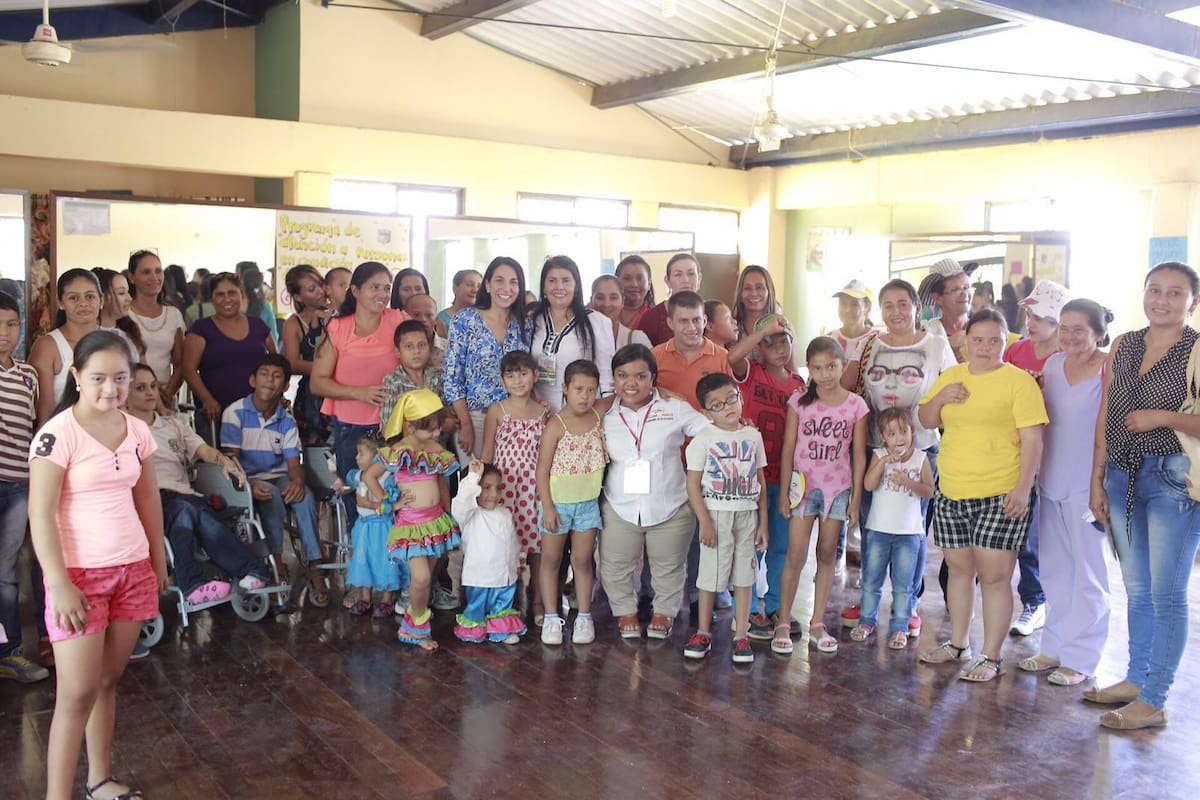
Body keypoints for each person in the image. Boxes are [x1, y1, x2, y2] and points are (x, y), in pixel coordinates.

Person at [28, 330, 167, 800]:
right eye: (99, 378)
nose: (111, 388)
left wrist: (156, 557)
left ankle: (99, 780)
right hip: (79, 578)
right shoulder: (56, 434)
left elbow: (147, 497)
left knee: (108, 681)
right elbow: (40, 514)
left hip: (132, 571)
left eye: (121, 378)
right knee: (75, 693)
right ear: (76, 377)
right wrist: (58, 583)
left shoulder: (137, 431)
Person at [1088, 261, 1200, 729]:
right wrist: (1097, 474)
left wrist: (1163, 417)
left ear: (1192, 302)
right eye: (1155, 290)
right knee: (1136, 588)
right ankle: (1135, 679)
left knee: (1167, 592)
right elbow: (1107, 409)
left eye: (1176, 293)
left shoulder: (1196, 350)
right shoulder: (1125, 343)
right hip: (1120, 474)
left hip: (1173, 478)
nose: (1162, 300)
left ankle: (1154, 699)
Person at [917, 308, 1047, 683]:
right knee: (959, 571)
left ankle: (991, 656)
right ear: (966, 342)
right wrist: (942, 397)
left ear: (1005, 342)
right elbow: (926, 420)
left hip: (1000, 493)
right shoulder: (952, 375)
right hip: (953, 490)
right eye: (978, 340)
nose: (986, 347)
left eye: (995, 340)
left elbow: (1033, 440)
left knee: (994, 577)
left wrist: (1023, 489)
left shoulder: (1018, 382)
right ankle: (958, 644)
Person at [843, 279, 956, 635]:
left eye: (903, 304)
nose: (896, 312)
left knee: (913, 530)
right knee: (873, 527)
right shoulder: (868, 346)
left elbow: (953, 390)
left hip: (921, 447)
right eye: (888, 305)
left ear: (916, 308)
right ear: (880, 311)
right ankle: (869, 603)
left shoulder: (936, 345)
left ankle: (910, 604)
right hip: (874, 446)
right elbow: (845, 389)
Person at [1017, 299, 1111, 687]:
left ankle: (1082, 657)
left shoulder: (1108, 367)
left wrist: (1100, 482)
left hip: (1089, 483)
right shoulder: (1053, 366)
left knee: (1088, 572)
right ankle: (1053, 647)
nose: (1070, 336)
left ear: (1098, 332)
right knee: (1055, 568)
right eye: (1064, 328)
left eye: (1079, 329)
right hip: (1051, 480)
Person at [125, 363, 270, 604]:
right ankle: (251, 570)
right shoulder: (121, 429)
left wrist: (223, 460)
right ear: (126, 393)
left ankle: (196, 584)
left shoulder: (172, 425)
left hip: (183, 496)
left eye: (152, 386)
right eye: (140, 388)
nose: (150, 392)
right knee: (187, 510)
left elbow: (203, 450)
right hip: (148, 499)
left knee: (189, 510)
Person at [599, 344, 709, 640]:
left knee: (669, 565)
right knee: (615, 565)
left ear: (653, 378)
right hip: (619, 503)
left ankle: (664, 612)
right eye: (622, 376)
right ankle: (625, 611)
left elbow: (708, 431)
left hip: (670, 503)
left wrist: (737, 425)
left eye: (640, 376)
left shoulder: (674, 407)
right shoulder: (603, 412)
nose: (631, 383)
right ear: (613, 379)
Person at [774, 337, 868, 656]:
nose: (825, 373)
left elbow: (858, 455)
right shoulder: (799, 401)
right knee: (796, 554)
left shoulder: (856, 405)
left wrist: (854, 500)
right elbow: (788, 450)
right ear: (809, 369)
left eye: (831, 366)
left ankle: (817, 622)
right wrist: (785, 493)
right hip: (803, 489)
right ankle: (783, 622)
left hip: (838, 490)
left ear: (843, 365)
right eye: (817, 368)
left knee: (827, 553)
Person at [220, 354, 328, 603]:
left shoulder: (286, 421)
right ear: (252, 380)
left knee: (305, 498)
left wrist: (298, 482)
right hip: (246, 478)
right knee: (272, 497)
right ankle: (276, 563)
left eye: (277, 376)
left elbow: (293, 463)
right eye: (265, 374)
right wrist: (248, 484)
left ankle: (314, 566)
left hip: (279, 475)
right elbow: (231, 461)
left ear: (286, 386)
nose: (270, 380)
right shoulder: (234, 413)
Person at [310, 261, 405, 528]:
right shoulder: (338, 328)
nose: (382, 294)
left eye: (386, 288)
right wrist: (357, 393)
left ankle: (393, 566)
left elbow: (420, 359)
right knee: (357, 501)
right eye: (374, 287)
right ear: (356, 290)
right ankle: (361, 562)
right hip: (351, 431)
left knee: (394, 499)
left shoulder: (398, 320)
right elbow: (317, 382)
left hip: (394, 429)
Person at [727, 314, 804, 639]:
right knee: (750, 545)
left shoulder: (798, 384)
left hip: (784, 476)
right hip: (750, 476)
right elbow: (730, 357)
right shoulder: (750, 372)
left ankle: (774, 605)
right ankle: (745, 612)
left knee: (781, 544)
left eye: (784, 340)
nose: (779, 348)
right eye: (770, 342)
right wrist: (761, 332)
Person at [682, 373, 768, 664]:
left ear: (740, 397)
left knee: (745, 578)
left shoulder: (753, 436)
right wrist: (704, 521)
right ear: (706, 413)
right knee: (709, 577)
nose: (728, 407)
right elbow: (693, 485)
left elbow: (761, 481)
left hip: (746, 515)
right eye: (717, 405)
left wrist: (763, 523)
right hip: (716, 516)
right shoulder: (703, 440)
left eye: (732, 398)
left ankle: (741, 635)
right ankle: (703, 632)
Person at [366, 389, 460, 652]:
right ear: (409, 425)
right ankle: (417, 627)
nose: (435, 434)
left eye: (438, 429)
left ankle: (412, 622)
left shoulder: (436, 449)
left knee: (425, 579)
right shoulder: (399, 451)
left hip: (435, 522)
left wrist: (448, 512)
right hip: (411, 524)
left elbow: (442, 481)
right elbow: (369, 477)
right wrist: (389, 502)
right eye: (430, 430)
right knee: (420, 579)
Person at [1003, 279, 1069, 637]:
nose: (1032, 321)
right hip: (1017, 452)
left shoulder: (1068, 355)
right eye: (1030, 313)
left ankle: (1039, 601)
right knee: (1021, 531)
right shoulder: (1016, 352)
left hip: (1057, 451)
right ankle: (1033, 599)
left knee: (1043, 535)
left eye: (1042, 316)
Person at [535, 359, 608, 646]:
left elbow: (622, 396)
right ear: (565, 388)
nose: (585, 396)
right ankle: (552, 617)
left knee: (582, 560)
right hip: (558, 505)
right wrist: (549, 507)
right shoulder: (556, 424)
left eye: (591, 390)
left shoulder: (598, 413)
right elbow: (542, 470)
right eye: (579, 389)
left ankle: (585, 617)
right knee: (552, 560)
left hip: (588, 504)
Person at [851, 408, 934, 650]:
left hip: (908, 534)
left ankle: (900, 626)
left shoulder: (920, 459)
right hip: (878, 530)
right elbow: (867, 484)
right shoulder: (878, 455)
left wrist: (908, 482)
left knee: (903, 584)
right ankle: (867, 620)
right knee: (871, 580)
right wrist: (885, 461)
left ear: (913, 432)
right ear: (882, 437)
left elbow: (930, 491)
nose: (899, 438)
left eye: (903, 432)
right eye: (892, 434)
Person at [0, 290, 49, 683]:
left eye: (11, 325)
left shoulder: (28, 374)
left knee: (7, 569)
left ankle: (10, 651)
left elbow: (36, 429)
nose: (4, 333)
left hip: (20, 483)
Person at [481, 351, 548, 621]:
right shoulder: (498, 411)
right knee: (505, 546)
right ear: (502, 380)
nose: (517, 380)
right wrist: (483, 490)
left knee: (538, 547)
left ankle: (538, 602)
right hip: (504, 488)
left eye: (523, 374)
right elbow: (487, 453)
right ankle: (507, 601)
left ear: (535, 376)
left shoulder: (544, 411)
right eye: (510, 375)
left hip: (533, 488)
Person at [444, 256, 531, 458]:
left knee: (510, 485)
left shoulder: (524, 324)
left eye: (513, 282)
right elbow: (452, 378)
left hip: (515, 417)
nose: (506, 288)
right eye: (499, 280)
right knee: (476, 484)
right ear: (488, 285)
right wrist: (465, 424)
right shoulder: (465, 320)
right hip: (475, 418)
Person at [182, 272, 276, 443]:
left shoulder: (258, 325)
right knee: (219, 466)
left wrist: (275, 395)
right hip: (216, 414)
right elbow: (188, 369)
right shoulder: (201, 329)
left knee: (260, 465)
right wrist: (207, 399)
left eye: (232, 293)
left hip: (258, 413)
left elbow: (277, 364)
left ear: (241, 294)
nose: (227, 299)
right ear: (211, 298)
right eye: (220, 294)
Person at [452, 460, 526, 645]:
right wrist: (473, 477)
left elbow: (511, 542)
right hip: (478, 578)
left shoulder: (505, 513)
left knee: (502, 604)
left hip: (504, 576)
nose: (494, 494)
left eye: (498, 488)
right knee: (477, 606)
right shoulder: (469, 515)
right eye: (486, 487)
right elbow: (461, 502)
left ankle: (501, 630)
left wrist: (517, 560)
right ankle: (474, 630)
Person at [529, 255, 615, 413]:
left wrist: (599, 414)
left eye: (566, 280)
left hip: (581, 414)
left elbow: (606, 376)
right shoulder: (532, 319)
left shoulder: (597, 322)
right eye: (552, 280)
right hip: (538, 413)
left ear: (576, 287)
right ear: (543, 287)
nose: (559, 287)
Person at [29, 269, 104, 423]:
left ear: (101, 301)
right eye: (73, 298)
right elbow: (44, 411)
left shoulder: (115, 341)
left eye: (90, 297)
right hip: (65, 438)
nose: (83, 303)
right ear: (61, 303)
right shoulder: (48, 346)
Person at [343, 433, 404, 619]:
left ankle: (387, 599)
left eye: (361, 453)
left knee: (386, 561)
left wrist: (370, 505)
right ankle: (365, 597)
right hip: (364, 527)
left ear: (377, 455)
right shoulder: (359, 475)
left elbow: (384, 506)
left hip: (382, 527)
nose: (356, 458)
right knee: (363, 560)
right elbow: (348, 479)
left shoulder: (389, 478)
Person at [652, 291, 734, 410]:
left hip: (711, 426)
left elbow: (735, 400)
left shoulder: (724, 358)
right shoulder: (655, 356)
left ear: (705, 321)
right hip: (668, 426)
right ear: (670, 323)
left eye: (696, 320)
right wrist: (657, 391)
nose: (691, 328)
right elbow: (643, 394)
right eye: (683, 321)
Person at [127, 250, 187, 408]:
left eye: (158, 271)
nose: (154, 277)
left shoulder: (173, 315)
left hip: (166, 396)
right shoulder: (124, 314)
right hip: (131, 396)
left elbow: (180, 364)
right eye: (146, 272)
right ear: (132, 277)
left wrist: (166, 394)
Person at [281, 265, 332, 445]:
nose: (320, 291)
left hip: (341, 391)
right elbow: (292, 364)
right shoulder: (294, 324)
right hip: (313, 397)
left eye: (320, 284)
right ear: (298, 297)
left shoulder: (340, 315)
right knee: (316, 450)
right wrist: (330, 369)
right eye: (311, 289)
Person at [381, 320, 445, 432]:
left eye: (421, 345)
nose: (416, 351)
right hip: (406, 447)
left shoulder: (438, 377)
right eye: (409, 346)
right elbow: (386, 429)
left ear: (430, 347)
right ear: (397, 352)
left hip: (438, 446)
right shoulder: (392, 382)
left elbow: (449, 415)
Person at [637, 253, 702, 346]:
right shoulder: (651, 318)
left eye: (691, 274)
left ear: (699, 278)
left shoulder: (711, 312)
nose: (686, 280)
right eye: (678, 275)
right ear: (667, 280)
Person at [828, 279, 877, 383]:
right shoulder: (828, 339)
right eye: (843, 303)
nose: (847, 309)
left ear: (867, 308)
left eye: (854, 304)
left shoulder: (878, 339)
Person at [92, 268, 145, 363]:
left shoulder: (131, 330)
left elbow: (143, 370)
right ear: (102, 298)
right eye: (121, 293)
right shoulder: (88, 335)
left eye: (127, 292)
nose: (129, 298)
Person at [590, 274, 651, 350]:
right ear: (591, 301)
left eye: (613, 298)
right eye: (600, 298)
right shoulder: (579, 337)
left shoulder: (636, 339)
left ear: (623, 301)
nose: (606, 304)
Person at [732, 265, 783, 346]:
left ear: (769, 291)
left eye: (759, 287)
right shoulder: (731, 328)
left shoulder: (782, 327)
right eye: (747, 288)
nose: (754, 293)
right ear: (740, 293)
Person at [239, 266, 280, 349]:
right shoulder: (265, 305)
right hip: (261, 352)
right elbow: (274, 335)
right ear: (260, 284)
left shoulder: (235, 305)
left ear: (242, 284)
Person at [436, 268, 482, 339]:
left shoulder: (485, 318)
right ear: (455, 288)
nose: (475, 290)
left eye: (479, 286)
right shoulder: (441, 319)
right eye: (469, 285)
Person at [403, 293, 447, 367]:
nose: (423, 319)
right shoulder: (399, 350)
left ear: (436, 319)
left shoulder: (450, 350)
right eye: (416, 315)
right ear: (405, 317)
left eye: (429, 315)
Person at [615, 255, 655, 331]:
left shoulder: (657, 318)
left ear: (649, 284)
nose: (634, 284)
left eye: (639, 278)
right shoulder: (603, 309)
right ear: (616, 282)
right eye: (627, 278)